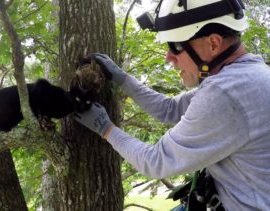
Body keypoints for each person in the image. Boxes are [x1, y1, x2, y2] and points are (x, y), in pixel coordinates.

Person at [74, 0, 270, 210]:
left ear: (213, 43)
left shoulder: (226, 93)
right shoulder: (245, 76)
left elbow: (155, 161)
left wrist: (105, 128)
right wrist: (123, 79)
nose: (169, 57)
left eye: (176, 47)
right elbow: (170, 109)